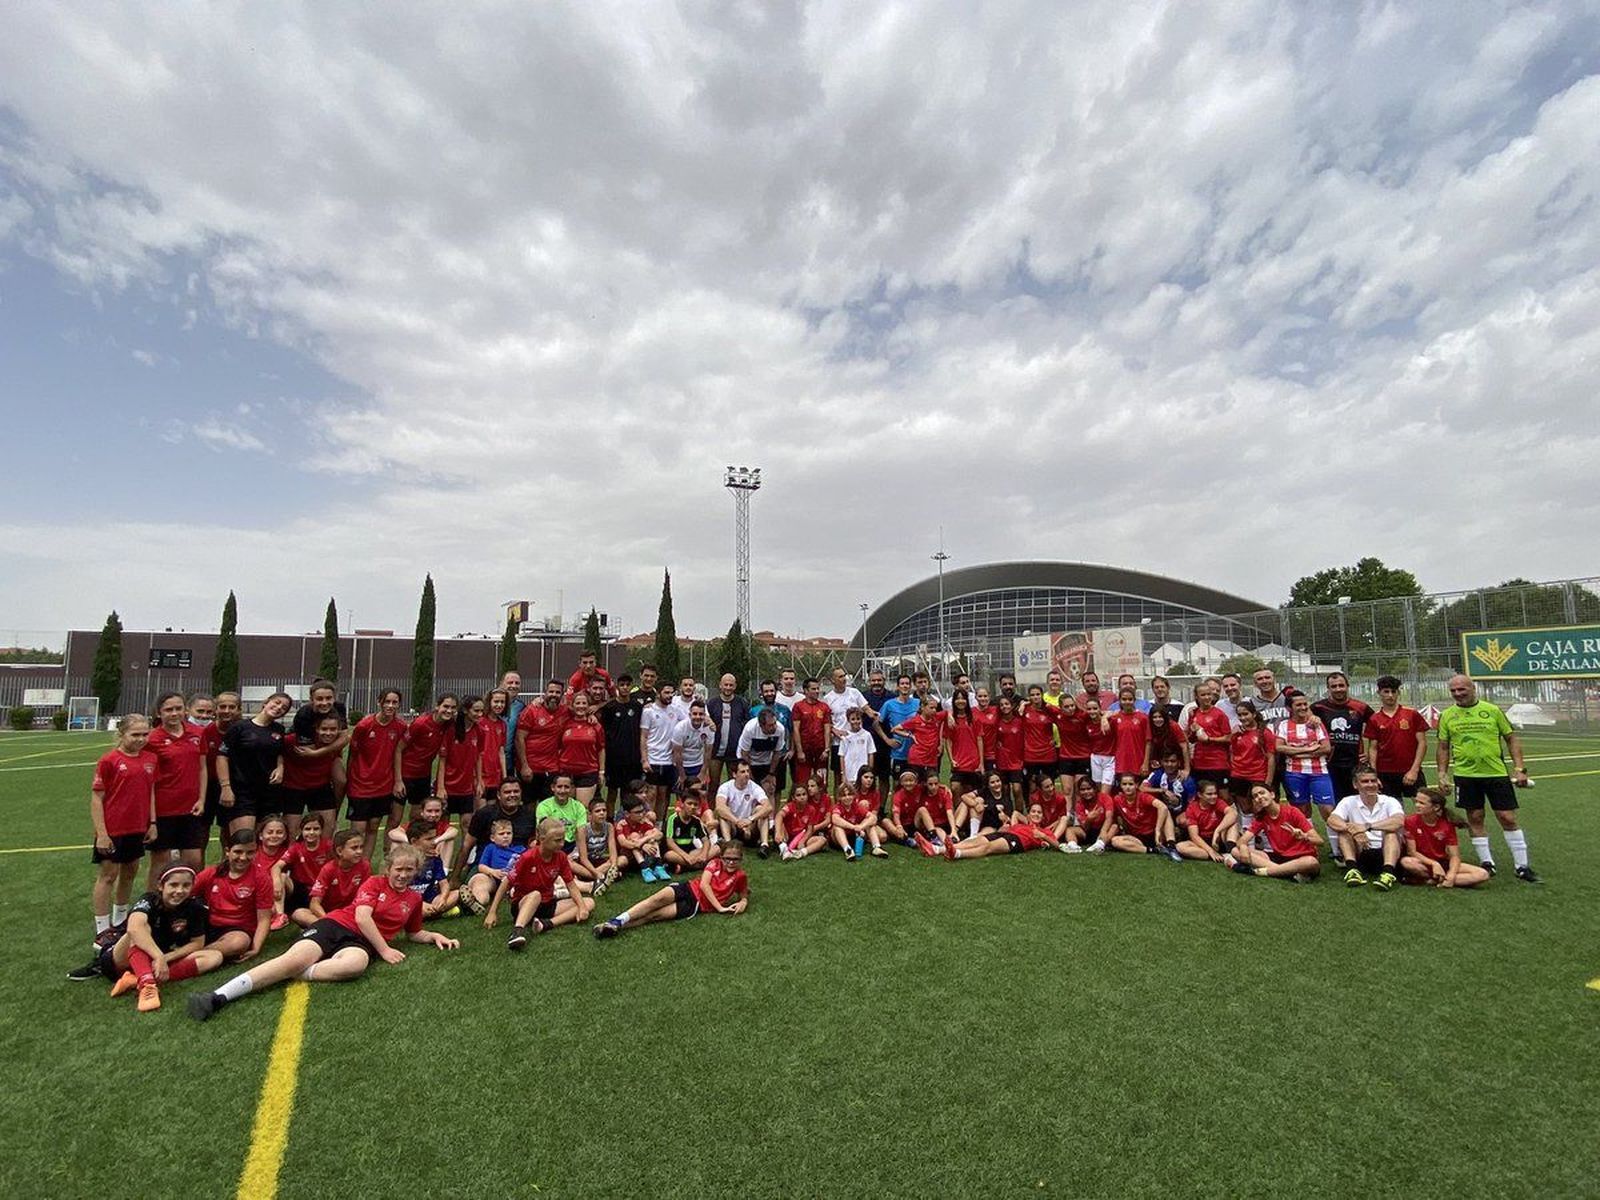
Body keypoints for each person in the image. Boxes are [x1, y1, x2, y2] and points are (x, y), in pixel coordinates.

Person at [187, 843, 459, 1020]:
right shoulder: (374, 883)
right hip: (336, 925)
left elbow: (413, 933)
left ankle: (293, 972)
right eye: (398, 869)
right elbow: (363, 919)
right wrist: (385, 949)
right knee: (293, 959)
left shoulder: (412, 899)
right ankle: (217, 997)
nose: (403, 875)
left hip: (360, 944)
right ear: (388, 869)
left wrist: (434, 936)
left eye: (409, 870)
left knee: (356, 965)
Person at [67, 864, 224, 1011]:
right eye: (173, 885)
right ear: (161, 886)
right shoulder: (149, 900)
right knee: (140, 930)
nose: (180, 890)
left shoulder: (194, 907)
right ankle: (148, 986)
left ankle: (135, 979)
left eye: (186, 885)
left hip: (156, 959)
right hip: (121, 958)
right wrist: (159, 956)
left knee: (214, 957)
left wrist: (166, 957)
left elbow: (197, 943)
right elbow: (134, 929)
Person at [1437, 674, 1537, 881]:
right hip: (1465, 776)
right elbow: (1443, 747)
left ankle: (1522, 866)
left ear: (1473, 688)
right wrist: (1442, 773)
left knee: (1507, 818)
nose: (1457, 694)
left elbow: (1511, 739)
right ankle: (1487, 862)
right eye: (1453, 691)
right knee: (1475, 817)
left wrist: (1520, 769)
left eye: (1461, 689)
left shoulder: (1492, 711)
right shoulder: (1447, 715)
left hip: (1496, 774)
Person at [89, 714, 158, 938]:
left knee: (130, 873)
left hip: (137, 827)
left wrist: (153, 822)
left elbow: (151, 793)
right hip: (113, 829)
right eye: (135, 734)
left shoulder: (150, 759)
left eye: (145, 734)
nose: (140, 739)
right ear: (122, 734)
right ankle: (102, 927)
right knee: (108, 875)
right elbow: (97, 798)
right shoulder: (109, 760)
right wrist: (102, 833)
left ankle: (120, 920)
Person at [594, 839, 749, 938]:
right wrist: (720, 908)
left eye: (735, 859)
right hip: (687, 888)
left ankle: (611, 927)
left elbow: (743, 894)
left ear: (741, 859)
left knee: (653, 916)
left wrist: (743, 902)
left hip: (695, 906)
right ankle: (615, 921)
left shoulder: (740, 876)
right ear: (721, 858)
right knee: (655, 900)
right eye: (727, 858)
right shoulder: (714, 863)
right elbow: (704, 885)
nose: (730, 862)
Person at [485, 818, 594, 948]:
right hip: (523, 903)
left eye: (563, 839)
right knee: (536, 895)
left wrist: (581, 907)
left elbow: (571, 884)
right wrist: (492, 912)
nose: (562, 844)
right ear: (542, 839)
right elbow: (506, 883)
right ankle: (517, 931)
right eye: (557, 840)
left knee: (589, 903)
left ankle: (546, 924)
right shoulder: (527, 857)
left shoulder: (561, 857)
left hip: (547, 904)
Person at [144, 692, 209, 887]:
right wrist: (152, 817)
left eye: (178, 708)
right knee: (161, 862)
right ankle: (152, 902)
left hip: (191, 808)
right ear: (159, 713)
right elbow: (149, 778)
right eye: (169, 710)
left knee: (194, 860)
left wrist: (201, 799)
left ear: (185, 710)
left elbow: (202, 768)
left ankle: (190, 903)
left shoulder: (198, 733)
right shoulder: (152, 739)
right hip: (164, 808)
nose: (174, 713)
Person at [217, 692, 293, 835]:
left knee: (264, 840)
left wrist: (280, 767)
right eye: (276, 702)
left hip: (268, 794)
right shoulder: (239, 727)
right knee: (243, 839)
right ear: (266, 702)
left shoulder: (279, 730)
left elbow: (279, 753)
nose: (278, 708)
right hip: (242, 792)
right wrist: (225, 787)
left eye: (284, 708)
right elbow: (222, 756)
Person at [344, 689, 407, 859]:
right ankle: (351, 868)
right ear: (379, 702)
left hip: (383, 786)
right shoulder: (364, 726)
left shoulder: (400, 727)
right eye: (387, 702)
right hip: (360, 785)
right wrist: (349, 781)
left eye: (395, 702)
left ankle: (364, 866)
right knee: (357, 831)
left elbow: (399, 753)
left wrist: (397, 780)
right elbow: (352, 754)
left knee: (373, 827)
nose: (390, 706)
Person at [193, 830, 273, 961]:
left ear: (256, 852)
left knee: (239, 943)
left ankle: (192, 955)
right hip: (208, 924)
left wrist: (256, 947)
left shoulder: (261, 878)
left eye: (250, 853)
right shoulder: (212, 872)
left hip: (238, 930)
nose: (243, 857)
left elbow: (264, 918)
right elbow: (185, 893)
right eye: (238, 852)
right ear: (227, 851)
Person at [1327, 767, 1405, 890]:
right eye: (1365, 781)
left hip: (1385, 851)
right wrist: (1354, 831)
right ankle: (1352, 870)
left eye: (1373, 781)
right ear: (1355, 784)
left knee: (1391, 833)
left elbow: (1398, 821)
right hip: (1360, 850)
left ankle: (1387, 873)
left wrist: (1366, 827)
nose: (1370, 785)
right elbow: (1332, 820)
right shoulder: (1348, 801)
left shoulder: (1390, 801)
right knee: (1344, 833)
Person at [1226, 785, 1323, 882]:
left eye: (1262, 793)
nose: (1259, 797)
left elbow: (1319, 841)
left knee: (1311, 862)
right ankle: (1286, 873)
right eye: (1255, 796)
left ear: (1272, 795)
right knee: (1235, 851)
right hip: (1279, 858)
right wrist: (1243, 847)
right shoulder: (1261, 817)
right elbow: (1242, 840)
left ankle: (1256, 872)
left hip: (1301, 858)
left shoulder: (1292, 812)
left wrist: (1304, 836)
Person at [1401, 787, 1490, 888]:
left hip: (1444, 863)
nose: (1417, 805)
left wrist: (1451, 874)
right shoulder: (1410, 821)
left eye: (1422, 803)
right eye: (1416, 802)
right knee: (1407, 862)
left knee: (1483, 874)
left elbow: (1454, 856)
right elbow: (1412, 852)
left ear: (1436, 807)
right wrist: (1434, 864)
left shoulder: (1447, 825)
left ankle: (1434, 880)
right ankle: (1441, 879)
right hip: (1423, 862)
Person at [280, 713, 344, 848]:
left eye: (333, 729)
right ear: (316, 728)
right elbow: (277, 750)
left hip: (320, 786)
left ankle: (322, 862)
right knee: (292, 832)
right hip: (294, 787)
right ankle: (291, 863)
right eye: (324, 729)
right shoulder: (294, 740)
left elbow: (347, 737)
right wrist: (280, 767)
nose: (328, 733)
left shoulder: (337, 743)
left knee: (328, 828)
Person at [455, 780, 537, 885]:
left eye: (516, 791)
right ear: (499, 795)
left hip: (518, 868)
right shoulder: (484, 814)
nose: (512, 795)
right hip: (486, 867)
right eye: (507, 792)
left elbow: (534, 844)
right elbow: (467, 845)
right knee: (479, 885)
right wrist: (455, 878)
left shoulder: (529, 815)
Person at [1362, 675, 1429, 799]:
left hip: (1410, 770)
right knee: (1392, 811)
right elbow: (1373, 748)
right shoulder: (1374, 719)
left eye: (1393, 691)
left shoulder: (1412, 714)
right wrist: (1374, 774)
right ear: (1379, 693)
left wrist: (1414, 770)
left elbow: (1422, 743)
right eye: (1386, 692)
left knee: (1424, 805)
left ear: (1398, 693)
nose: (1390, 695)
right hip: (1385, 774)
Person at [398, 693, 457, 832]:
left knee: (417, 815)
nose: (449, 710)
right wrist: (398, 779)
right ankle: (389, 850)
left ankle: (413, 844)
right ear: (437, 706)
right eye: (446, 706)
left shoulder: (448, 725)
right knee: (395, 817)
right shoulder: (421, 723)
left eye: (453, 708)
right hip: (405, 773)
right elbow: (399, 748)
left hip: (423, 775)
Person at [1311, 672, 1372, 804]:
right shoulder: (1317, 708)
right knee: (1334, 802)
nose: (1338, 689)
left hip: (1354, 763)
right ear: (1328, 688)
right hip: (1328, 763)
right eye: (1334, 686)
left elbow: (1377, 730)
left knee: (1358, 801)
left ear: (1347, 686)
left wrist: (1368, 753)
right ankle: (1337, 825)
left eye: (1341, 685)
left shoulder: (1361, 707)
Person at [1273, 694, 1334, 823]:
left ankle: (1337, 843)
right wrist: (1308, 749)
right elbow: (1279, 747)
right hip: (1294, 773)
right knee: (1301, 810)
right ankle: (1308, 841)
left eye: (1305, 704)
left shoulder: (1316, 723)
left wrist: (1296, 753)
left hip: (1319, 772)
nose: (1304, 707)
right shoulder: (1284, 725)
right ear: (1289, 708)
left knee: (1328, 809)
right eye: (1299, 705)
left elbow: (1326, 748)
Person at [296, 827, 370, 927]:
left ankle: (328, 928)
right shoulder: (329, 869)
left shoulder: (364, 866)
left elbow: (366, 896)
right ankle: (331, 927)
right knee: (299, 914)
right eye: (354, 848)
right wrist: (328, 919)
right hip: (329, 913)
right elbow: (314, 904)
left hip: (351, 912)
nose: (359, 851)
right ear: (339, 851)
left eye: (361, 847)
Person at [436, 698, 486, 839]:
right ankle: (439, 858)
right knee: (443, 826)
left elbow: (478, 757)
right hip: (448, 787)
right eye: (476, 711)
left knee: (467, 823)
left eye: (481, 711)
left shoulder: (480, 731)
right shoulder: (451, 730)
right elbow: (442, 760)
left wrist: (479, 781)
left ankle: (466, 859)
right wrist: (440, 787)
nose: (479, 714)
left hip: (466, 787)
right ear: (465, 710)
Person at [942, 802, 1060, 860]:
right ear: (1028, 815)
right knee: (978, 840)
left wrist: (1043, 836)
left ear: (1043, 816)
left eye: (1039, 812)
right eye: (1033, 811)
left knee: (989, 846)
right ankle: (939, 849)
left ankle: (957, 854)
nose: (1036, 814)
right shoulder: (1024, 824)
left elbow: (1057, 845)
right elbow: (1016, 813)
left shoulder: (1043, 831)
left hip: (1019, 841)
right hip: (1007, 833)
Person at [1106, 773, 1182, 861]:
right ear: (1121, 786)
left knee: (1166, 812)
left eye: (1131, 784)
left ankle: (1171, 846)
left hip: (1154, 834)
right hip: (1137, 837)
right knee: (1115, 841)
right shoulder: (1117, 799)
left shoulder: (1143, 796)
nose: (1127, 787)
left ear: (1136, 785)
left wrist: (1158, 830)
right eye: (1124, 784)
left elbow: (1163, 807)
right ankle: (1153, 850)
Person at [515, 679, 569, 804]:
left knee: (549, 805)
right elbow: (519, 738)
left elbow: (581, 708)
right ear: (545, 693)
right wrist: (524, 766)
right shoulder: (532, 710)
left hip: (551, 768)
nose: (554, 695)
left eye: (557, 692)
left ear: (562, 694)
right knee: (529, 806)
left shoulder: (565, 711)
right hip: (531, 768)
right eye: (551, 691)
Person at [1226, 701, 1277, 831]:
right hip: (1238, 775)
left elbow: (1271, 757)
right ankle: (1250, 843)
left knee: (1260, 808)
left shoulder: (1264, 732)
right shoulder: (1237, 732)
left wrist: (1268, 782)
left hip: (1257, 775)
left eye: (1246, 714)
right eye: (1240, 715)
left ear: (1254, 714)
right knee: (1246, 809)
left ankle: (1266, 842)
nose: (1243, 718)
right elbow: (1232, 751)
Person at [596, 673, 645, 807]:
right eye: (622, 685)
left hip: (632, 758)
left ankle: (625, 822)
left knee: (629, 793)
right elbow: (603, 732)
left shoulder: (637, 707)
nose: (625, 688)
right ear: (617, 687)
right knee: (612, 793)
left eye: (627, 685)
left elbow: (642, 730)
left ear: (631, 687)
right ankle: (611, 822)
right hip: (614, 759)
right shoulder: (609, 708)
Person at [277, 814, 333, 924]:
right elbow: (277, 866)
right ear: (301, 830)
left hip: (322, 890)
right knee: (282, 876)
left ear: (321, 830)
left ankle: (325, 925)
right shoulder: (296, 848)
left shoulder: (328, 846)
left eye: (316, 829)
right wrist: (276, 881)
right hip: (302, 891)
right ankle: (280, 916)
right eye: (307, 829)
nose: (311, 832)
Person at [462, 817, 523, 914]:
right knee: (479, 881)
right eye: (501, 834)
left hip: (514, 881)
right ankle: (476, 903)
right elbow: (481, 866)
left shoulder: (520, 849)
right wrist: (493, 872)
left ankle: (466, 907)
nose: (505, 836)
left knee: (518, 889)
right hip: (495, 879)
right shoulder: (490, 848)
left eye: (509, 833)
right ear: (492, 838)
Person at [640, 683, 682, 817]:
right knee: (651, 794)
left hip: (669, 760)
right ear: (658, 693)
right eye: (666, 693)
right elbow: (644, 736)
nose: (669, 696)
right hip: (653, 759)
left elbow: (691, 718)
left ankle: (659, 826)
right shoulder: (649, 711)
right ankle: (649, 824)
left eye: (672, 693)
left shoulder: (675, 710)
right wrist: (644, 759)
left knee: (663, 795)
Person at [714, 760, 773, 856]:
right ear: (734, 774)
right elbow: (719, 807)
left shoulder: (754, 787)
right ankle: (728, 845)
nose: (746, 774)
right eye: (742, 772)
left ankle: (764, 845)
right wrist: (737, 821)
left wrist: (750, 819)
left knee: (761, 809)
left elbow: (768, 807)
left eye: (748, 771)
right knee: (724, 811)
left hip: (750, 828)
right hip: (733, 826)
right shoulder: (725, 787)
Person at [555, 693, 605, 806]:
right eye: (577, 703)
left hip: (587, 772)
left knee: (583, 809)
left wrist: (601, 772)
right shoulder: (565, 724)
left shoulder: (596, 726)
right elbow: (558, 747)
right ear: (572, 706)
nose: (581, 706)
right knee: (565, 808)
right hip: (566, 772)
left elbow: (601, 749)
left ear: (588, 706)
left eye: (584, 703)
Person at [704, 674, 751, 793]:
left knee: (735, 783)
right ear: (720, 685)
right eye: (726, 684)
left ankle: (732, 810)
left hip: (734, 751)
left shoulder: (742, 703)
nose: (728, 687)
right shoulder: (712, 703)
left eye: (731, 685)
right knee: (713, 784)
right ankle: (712, 810)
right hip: (715, 750)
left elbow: (747, 725)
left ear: (735, 686)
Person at [404, 821, 460, 919]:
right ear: (413, 841)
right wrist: (420, 904)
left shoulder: (434, 859)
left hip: (431, 899)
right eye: (429, 839)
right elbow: (398, 890)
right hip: (409, 900)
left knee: (457, 894)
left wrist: (443, 898)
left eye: (434, 837)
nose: (434, 841)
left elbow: (444, 884)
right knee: (407, 908)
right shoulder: (403, 860)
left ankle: (432, 912)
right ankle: (437, 913)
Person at [1185, 681, 1233, 790]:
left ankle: (1232, 807)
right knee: (1204, 794)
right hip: (1200, 763)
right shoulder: (1194, 713)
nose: (1207, 697)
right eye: (1203, 695)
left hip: (1218, 763)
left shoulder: (1219, 714)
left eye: (1209, 694)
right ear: (1196, 697)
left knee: (1223, 795)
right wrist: (1192, 732)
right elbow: (1191, 739)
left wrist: (1209, 739)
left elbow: (1229, 738)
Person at [1176, 779, 1236, 862]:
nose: (1213, 796)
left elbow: (1233, 813)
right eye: (1209, 794)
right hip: (1203, 841)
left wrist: (1217, 831)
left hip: (1219, 839)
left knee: (1233, 824)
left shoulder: (1218, 802)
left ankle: (1230, 851)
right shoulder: (1192, 808)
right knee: (1180, 847)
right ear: (1200, 795)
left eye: (1215, 793)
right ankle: (1218, 855)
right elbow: (1194, 836)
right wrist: (1210, 850)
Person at [877, 675, 921, 787]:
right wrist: (887, 740)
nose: (905, 686)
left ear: (911, 686)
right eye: (902, 684)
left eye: (907, 683)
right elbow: (876, 723)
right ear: (897, 687)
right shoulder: (889, 704)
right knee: (898, 785)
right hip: (898, 753)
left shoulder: (918, 703)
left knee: (916, 785)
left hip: (915, 752)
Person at [942, 690, 985, 801]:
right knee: (955, 788)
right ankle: (957, 814)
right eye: (957, 698)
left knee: (971, 791)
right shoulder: (951, 720)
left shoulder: (974, 718)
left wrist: (981, 763)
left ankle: (971, 817)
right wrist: (951, 760)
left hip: (973, 761)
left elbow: (979, 739)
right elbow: (948, 741)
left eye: (963, 698)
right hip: (959, 762)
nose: (960, 701)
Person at [790, 678, 833, 789]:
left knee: (821, 781)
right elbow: (796, 729)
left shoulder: (824, 707)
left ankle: (822, 805)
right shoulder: (798, 706)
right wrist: (799, 751)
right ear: (805, 690)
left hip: (820, 749)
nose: (817, 691)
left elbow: (827, 729)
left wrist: (826, 749)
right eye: (813, 689)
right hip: (805, 749)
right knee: (802, 782)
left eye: (818, 688)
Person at [893, 695, 946, 784]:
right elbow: (895, 729)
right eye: (931, 708)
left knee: (932, 784)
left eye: (935, 708)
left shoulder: (936, 717)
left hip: (931, 759)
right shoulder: (915, 721)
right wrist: (909, 735)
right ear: (923, 707)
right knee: (917, 785)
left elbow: (947, 713)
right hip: (917, 758)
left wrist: (950, 717)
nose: (934, 710)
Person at [573, 796, 619, 895]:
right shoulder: (583, 830)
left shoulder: (609, 827)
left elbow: (612, 850)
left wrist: (614, 866)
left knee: (622, 860)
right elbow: (583, 858)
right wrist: (597, 873)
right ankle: (600, 878)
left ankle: (586, 878)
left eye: (604, 810)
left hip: (599, 861)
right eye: (597, 811)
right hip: (584, 863)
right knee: (569, 863)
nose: (602, 813)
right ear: (590, 814)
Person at [616, 794, 668, 880]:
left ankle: (658, 866)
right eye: (637, 812)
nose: (641, 814)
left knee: (651, 835)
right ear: (627, 814)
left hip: (645, 854)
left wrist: (644, 840)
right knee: (634, 836)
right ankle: (645, 869)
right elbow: (623, 842)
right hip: (628, 857)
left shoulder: (645, 821)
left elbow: (659, 834)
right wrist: (641, 845)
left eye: (642, 811)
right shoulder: (621, 824)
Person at [1020, 687, 1060, 794]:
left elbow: (1061, 716)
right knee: (1033, 786)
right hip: (1031, 754)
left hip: (1048, 754)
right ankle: (1033, 809)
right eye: (1032, 695)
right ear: (1029, 697)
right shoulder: (1025, 709)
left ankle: (1050, 809)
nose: (1035, 697)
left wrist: (1049, 706)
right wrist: (1023, 705)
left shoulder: (1048, 710)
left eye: (1037, 694)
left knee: (1049, 785)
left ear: (1042, 695)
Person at [664, 786, 713, 873]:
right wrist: (686, 856)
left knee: (717, 848)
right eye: (689, 803)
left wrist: (703, 855)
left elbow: (706, 841)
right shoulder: (673, 819)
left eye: (695, 804)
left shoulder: (696, 821)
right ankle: (699, 865)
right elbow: (670, 843)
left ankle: (684, 867)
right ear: (682, 804)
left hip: (692, 852)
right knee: (669, 855)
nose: (692, 807)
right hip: (677, 853)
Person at [535, 774, 589, 855]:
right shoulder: (544, 806)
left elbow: (581, 834)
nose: (562, 790)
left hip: (572, 845)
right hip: (552, 844)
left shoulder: (579, 807)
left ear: (571, 788)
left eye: (566, 787)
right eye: (559, 787)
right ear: (553, 787)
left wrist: (577, 852)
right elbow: (545, 831)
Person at [1107, 687, 1152, 782]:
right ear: (1119, 701)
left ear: (1134, 700)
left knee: (1138, 792)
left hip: (1138, 762)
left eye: (1130, 699)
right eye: (1124, 699)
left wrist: (1146, 763)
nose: (1127, 702)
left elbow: (1148, 742)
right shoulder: (1115, 718)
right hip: (1121, 763)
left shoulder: (1143, 718)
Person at [670, 700, 716, 793]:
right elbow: (677, 753)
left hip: (697, 764)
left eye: (701, 714)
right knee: (682, 796)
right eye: (695, 714)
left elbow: (708, 752)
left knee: (699, 795)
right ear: (689, 714)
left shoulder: (709, 728)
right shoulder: (680, 728)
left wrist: (703, 772)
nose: (698, 717)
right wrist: (682, 775)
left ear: (705, 715)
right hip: (681, 765)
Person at [831, 777, 882, 859]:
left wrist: (861, 826)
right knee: (837, 827)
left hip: (854, 836)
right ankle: (847, 850)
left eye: (850, 794)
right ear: (839, 798)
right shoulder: (837, 807)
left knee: (869, 823)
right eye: (844, 795)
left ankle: (876, 847)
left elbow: (873, 818)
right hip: (838, 839)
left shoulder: (856, 806)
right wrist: (854, 827)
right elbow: (835, 819)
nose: (847, 797)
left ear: (854, 795)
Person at [837, 707, 879, 797]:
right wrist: (843, 774)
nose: (856, 721)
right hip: (850, 772)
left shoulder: (867, 735)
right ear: (848, 720)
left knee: (863, 795)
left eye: (858, 719)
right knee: (850, 795)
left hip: (862, 773)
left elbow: (870, 753)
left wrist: (869, 770)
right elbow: (842, 756)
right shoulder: (845, 736)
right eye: (853, 719)